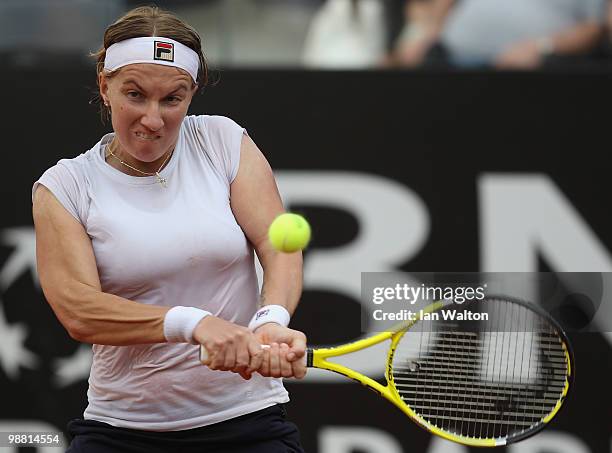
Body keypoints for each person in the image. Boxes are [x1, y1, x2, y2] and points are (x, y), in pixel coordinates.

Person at [32, 6, 307, 452]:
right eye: (135, 95)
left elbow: (277, 247)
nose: (153, 120)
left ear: (192, 95)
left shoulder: (222, 140)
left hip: (248, 423)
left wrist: (271, 320)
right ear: (105, 86)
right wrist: (193, 323)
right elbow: (78, 310)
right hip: (121, 431)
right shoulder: (64, 187)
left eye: (172, 99)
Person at [392, 0, 606, 69]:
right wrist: (427, 34)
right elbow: (439, 7)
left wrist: (543, 46)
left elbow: (596, 28)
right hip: (454, 57)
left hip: (538, 68)